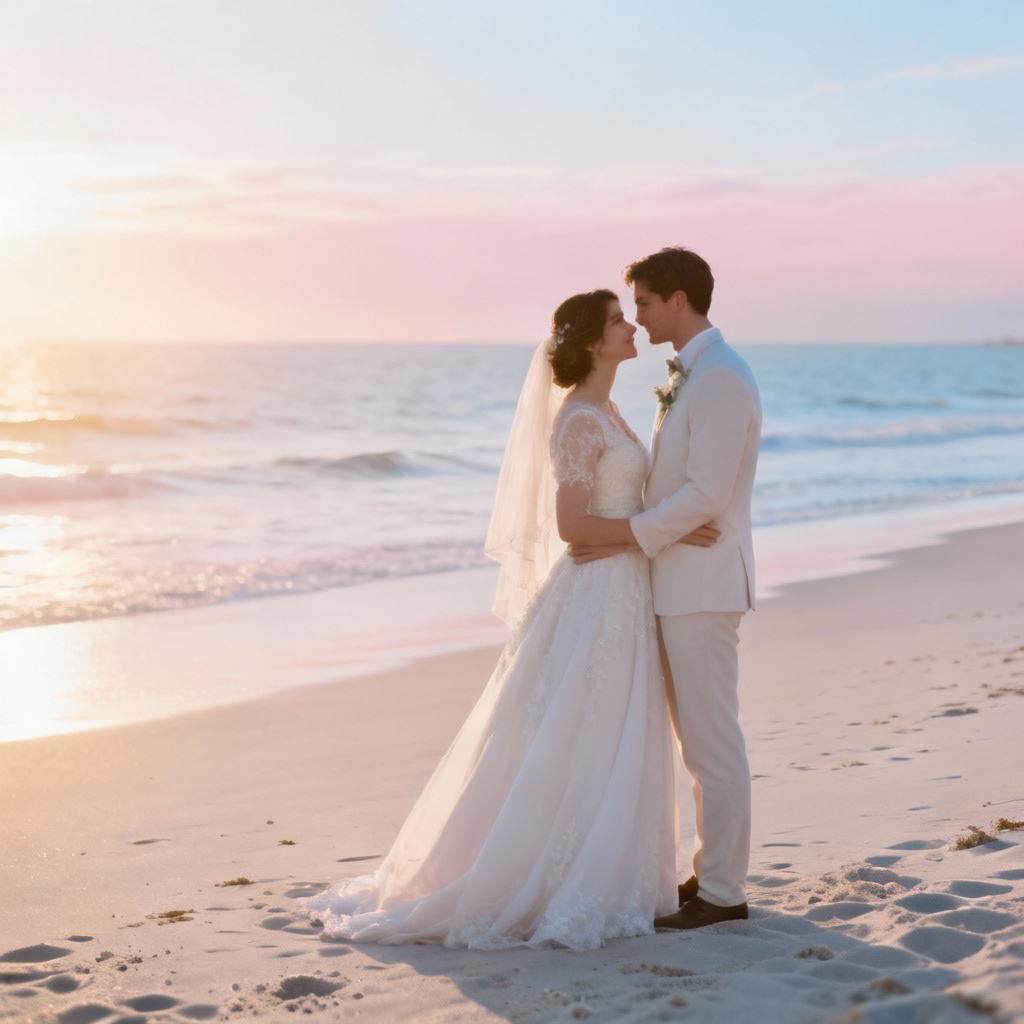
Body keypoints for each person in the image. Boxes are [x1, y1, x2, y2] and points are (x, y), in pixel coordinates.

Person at [300, 289, 719, 950]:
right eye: (617, 321)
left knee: (612, 730)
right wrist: (655, 534)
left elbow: (611, 519)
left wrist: (666, 528)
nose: (630, 326)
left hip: (621, 588)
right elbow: (572, 525)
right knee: (578, 729)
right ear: (590, 343)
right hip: (596, 596)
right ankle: (545, 876)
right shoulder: (579, 418)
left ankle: (617, 872)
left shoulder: (608, 408)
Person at [571, 248, 761, 929]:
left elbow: (706, 492)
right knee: (698, 743)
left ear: (678, 300)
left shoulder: (720, 379)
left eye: (645, 303)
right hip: (678, 580)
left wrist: (626, 536)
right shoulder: (695, 373)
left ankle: (723, 894)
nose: (640, 316)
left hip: (703, 585)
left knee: (713, 743)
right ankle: (710, 875)